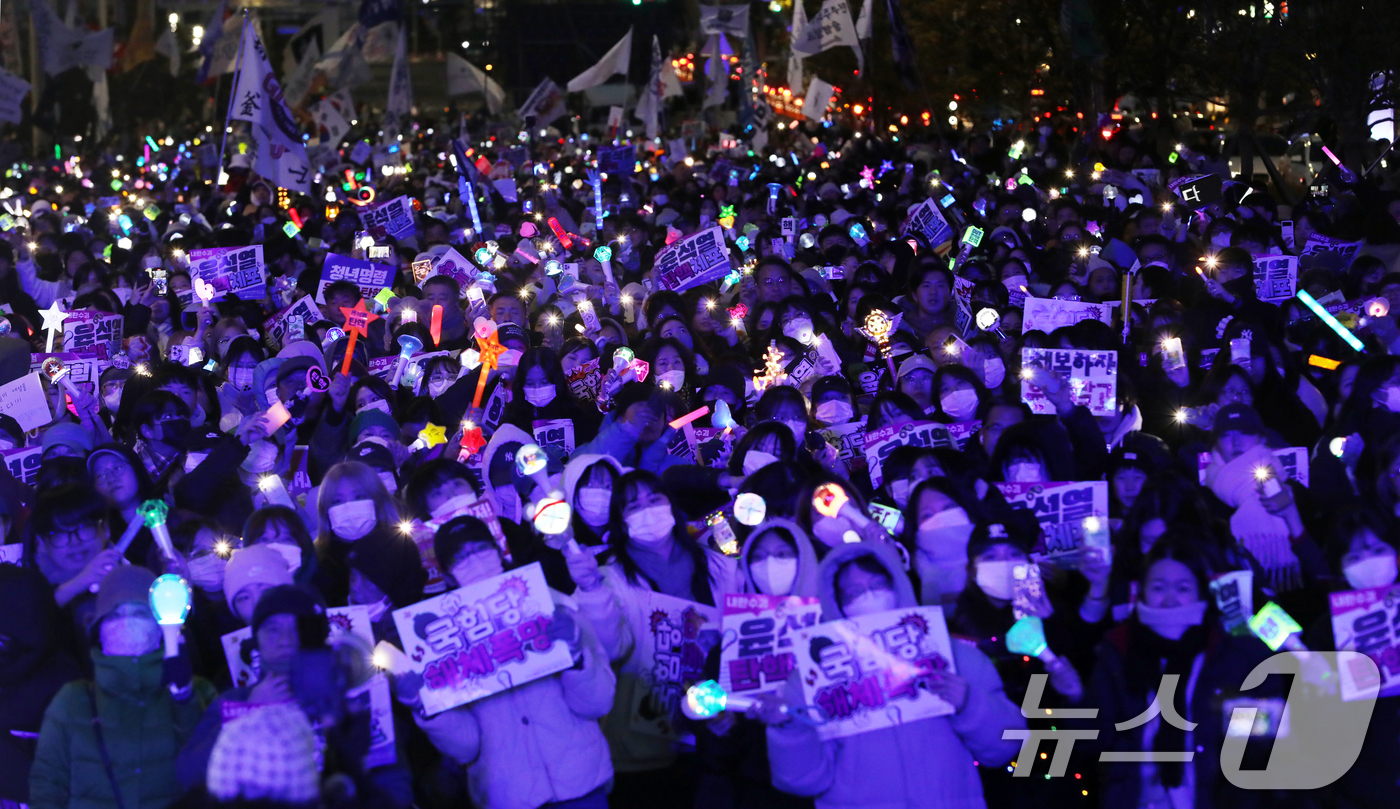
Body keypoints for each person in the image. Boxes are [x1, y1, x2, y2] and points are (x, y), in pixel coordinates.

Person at [759, 542, 1024, 807]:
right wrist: (789, 730)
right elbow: (802, 781)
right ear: (835, 603)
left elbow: (1008, 745)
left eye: (877, 585)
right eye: (852, 593)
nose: (868, 596)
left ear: (898, 585)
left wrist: (969, 704)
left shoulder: (955, 656)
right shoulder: (812, 679)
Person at [403, 516, 617, 809]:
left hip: (582, 783)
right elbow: (466, 749)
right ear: (448, 575)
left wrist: (575, 655)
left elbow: (599, 703)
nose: (474, 560)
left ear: (498, 550)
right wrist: (427, 707)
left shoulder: (554, 606)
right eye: (461, 557)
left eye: (480, 548)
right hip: (507, 796)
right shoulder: (441, 645)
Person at [31, 566, 214, 809]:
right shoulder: (72, 700)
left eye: (139, 613)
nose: (126, 623)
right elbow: (47, 786)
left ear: (160, 624)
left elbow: (208, 775)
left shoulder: (198, 692)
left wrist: (184, 699)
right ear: (99, 630)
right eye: (115, 615)